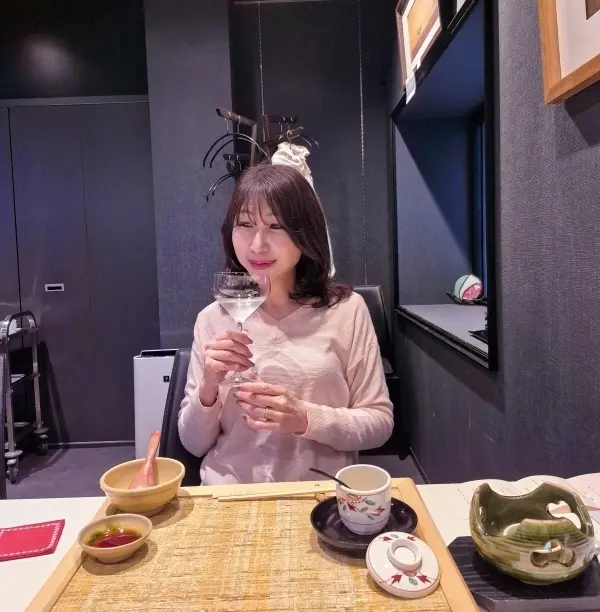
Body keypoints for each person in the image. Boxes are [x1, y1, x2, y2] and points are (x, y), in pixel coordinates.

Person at [178, 164, 393, 485]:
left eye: (276, 226)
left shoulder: (347, 311)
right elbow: (193, 443)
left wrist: (305, 418)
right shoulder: (212, 318)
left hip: (318, 493)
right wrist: (209, 386)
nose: (257, 244)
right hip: (230, 495)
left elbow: (379, 424)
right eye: (245, 224)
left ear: (305, 233)